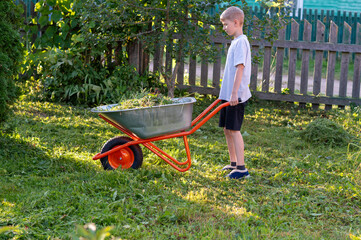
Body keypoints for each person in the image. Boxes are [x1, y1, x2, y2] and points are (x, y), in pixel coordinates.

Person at [218, 6, 252, 179]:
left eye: (225, 24)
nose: (224, 28)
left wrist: (233, 94)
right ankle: (233, 163)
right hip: (228, 96)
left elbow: (240, 69)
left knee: (234, 130)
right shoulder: (236, 42)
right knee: (227, 129)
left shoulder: (241, 42)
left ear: (236, 22)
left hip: (235, 97)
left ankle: (241, 168)